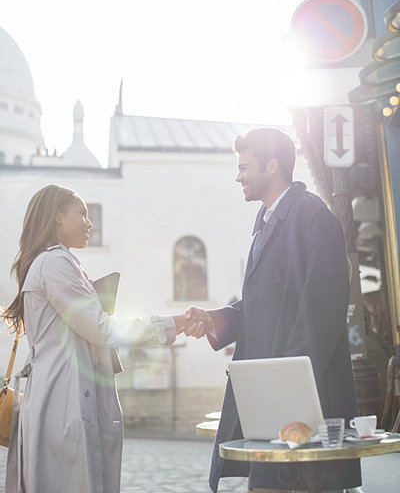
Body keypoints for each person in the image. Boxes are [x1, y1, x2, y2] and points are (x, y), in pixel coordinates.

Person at [185, 127, 361, 493]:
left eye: (244, 167)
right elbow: (260, 306)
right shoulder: (266, 224)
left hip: (305, 401)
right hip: (274, 398)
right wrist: (217, 319)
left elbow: (321, 313)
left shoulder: (315, 218)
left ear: (272, 166)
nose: (238, 177)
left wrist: (282, 388)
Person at [2, 184, 203, 493]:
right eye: (82, 213)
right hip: (62, 399)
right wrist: (170, 323)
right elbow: (102, 329)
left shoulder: (58, 262)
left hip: (59, 393)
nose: (90, 223)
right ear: (57, 217)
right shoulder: (54, 263)